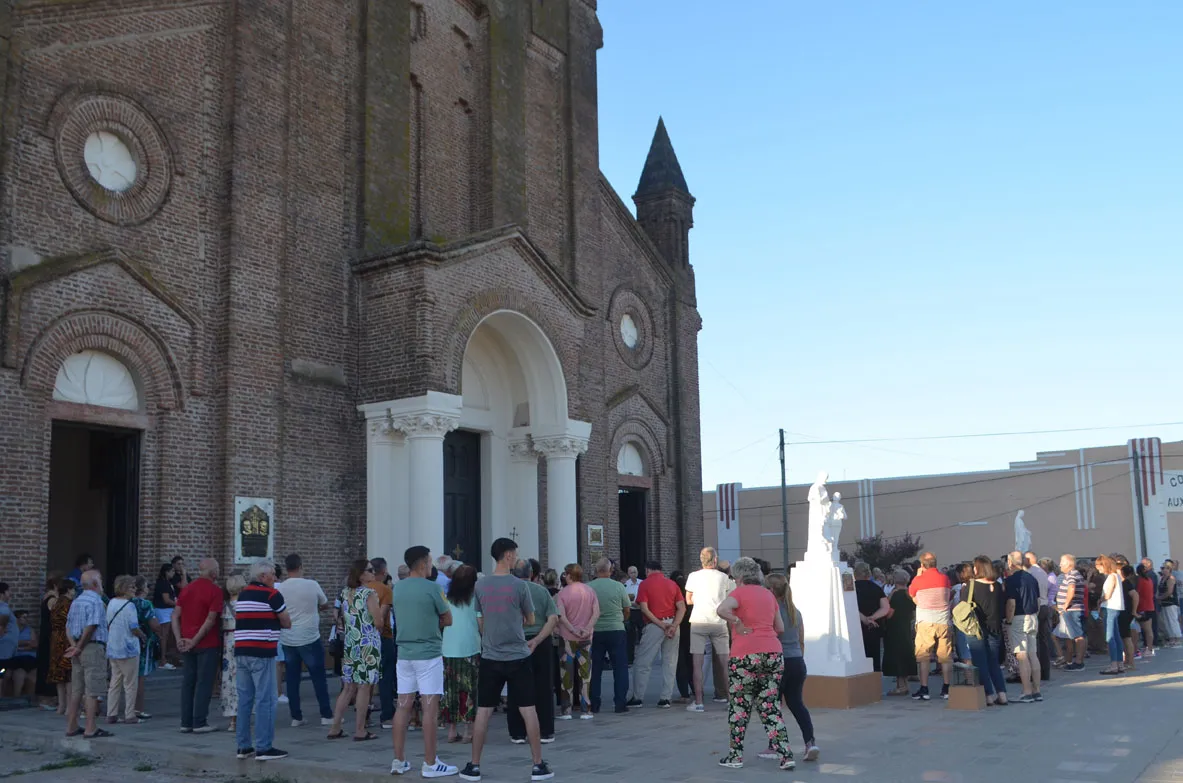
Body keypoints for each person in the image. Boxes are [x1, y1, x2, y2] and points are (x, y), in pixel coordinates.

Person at [460, 538, 552, 782]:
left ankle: (474, 765)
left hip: (490, 655)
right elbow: (531, 619)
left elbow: (480, 620)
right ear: (508, 555)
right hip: (518, 656)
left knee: (484, 711)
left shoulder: (480, 586)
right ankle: (537, 764)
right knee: (528, 709)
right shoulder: (519, 586)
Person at [714, 558, 794, 770]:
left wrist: (738, 623)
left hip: (744, 655)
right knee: (770, 706)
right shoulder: (768, 595)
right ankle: (785, 755)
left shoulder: (738, 593)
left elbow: (722, 610)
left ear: (739, 577)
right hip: (773, 653)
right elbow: (780, 627)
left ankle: (735, 756)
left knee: (740, 706)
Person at [390, 547, 457, 778]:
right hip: (428, 653)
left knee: (403, 705)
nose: (432, 566)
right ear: (421, 565)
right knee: (430, 707)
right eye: (429, 562)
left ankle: (398, 760)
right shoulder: (433, 588)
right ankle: (430, 762)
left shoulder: (397, 588)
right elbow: (447, 618)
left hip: (404, 653)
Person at [234, 558, 291, 761]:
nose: (275, 578)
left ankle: (243, 746)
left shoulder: (242, 594)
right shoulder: (272, 595)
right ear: (263, 576)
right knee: (266, 699)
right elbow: (286, 621)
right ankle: (264, 747)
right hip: (262, 651)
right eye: (273, 575)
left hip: (241, 651)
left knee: (245, 700)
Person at [760, 573, 817, 762]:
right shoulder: (795, 611)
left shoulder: (769, 611)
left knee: (772, 706)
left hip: (778, 661)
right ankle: (810, 743)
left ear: (770, 590)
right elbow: (801, 640)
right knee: (797, 704)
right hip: (797, 662)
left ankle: (775, 746)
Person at [275, 553, 333, 728]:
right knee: (318, 677)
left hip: (289, 638)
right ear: (301, 566)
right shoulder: (311, 584)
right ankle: (326, 714)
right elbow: (324, 603)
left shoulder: (280, 589)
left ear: (286, 568)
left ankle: (296, 716)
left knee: (292, 678)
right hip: (309, 636)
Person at [329, 559, 382, 742]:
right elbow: (378, 621)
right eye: (369, 570)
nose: (373, 573)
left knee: (348, 686)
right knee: (364, 686)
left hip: (351, 643)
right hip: (368, 643)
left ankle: (335, 727)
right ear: (361, 574)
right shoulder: (369, 593)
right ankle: (360, 730)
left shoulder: (345, 592)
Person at [508, 559, 559, 744]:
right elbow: (553, 618)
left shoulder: (508, 591)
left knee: (516, 686)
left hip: (516, 641)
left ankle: (517, 732)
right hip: (540, 640)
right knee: (544, 686)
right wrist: (538, 640)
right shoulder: (541, 591)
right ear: (532, 574)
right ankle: (545, 730)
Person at [172, 558, 223, 733]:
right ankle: (200, 721)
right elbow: (210, 620)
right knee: (204, 682)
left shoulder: (187, 589)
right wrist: (195, 639)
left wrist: (180, 638)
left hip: (186, 641)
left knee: (188, 682)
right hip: (206, 643)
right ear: (214, 573)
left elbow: (175, 616)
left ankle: (185, 722)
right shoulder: (215, 591)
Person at [628, 560, 685, 709]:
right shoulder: (672, 584)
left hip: (655, 625)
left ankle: (638, 697)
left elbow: (645, 609)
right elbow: (681, 607)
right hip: (673, 624)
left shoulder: (645, 584)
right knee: (670, 662)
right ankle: (665, 698)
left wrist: (661, 625)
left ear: (647, 570)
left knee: (643, 662)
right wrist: (674, 625)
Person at [684, 547, 734, 712]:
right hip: (719, 622)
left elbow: (689, 600)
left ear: (701, 560)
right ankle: (730, 700)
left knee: (697, 664)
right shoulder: (724, 577)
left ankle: (698, 702)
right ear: (715, 560)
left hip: (698, 621)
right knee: (724, 663)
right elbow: (731, 599)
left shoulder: (693, 576)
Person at [64, 569, 111, 738]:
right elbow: (92, 626)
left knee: (77, 689)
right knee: (92, 689)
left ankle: (71, 725)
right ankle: (90, 727)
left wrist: (74, 646)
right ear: (96, 584)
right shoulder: (96, 601)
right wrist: (80, 646)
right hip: (91, 647)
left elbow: (68, 627)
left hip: (77, 647)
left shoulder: (76, 601)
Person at [442, 564, 481, 745]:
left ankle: (451, 730)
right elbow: (481, 623)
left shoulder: (447, 598)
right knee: (469, 689)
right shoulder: (475, 598)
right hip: (470, 647)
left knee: (450, 689)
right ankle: (468, 729)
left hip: (448, 648)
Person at [555, 562, 599, 719]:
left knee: (566, 673)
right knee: (585, 673)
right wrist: (587, 628)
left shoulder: (562, 594)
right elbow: (596, 613)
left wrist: (572, 629)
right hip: (586, 638)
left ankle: (566, 710)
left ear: (568, 575)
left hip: (567, 638)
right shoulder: (590, 591)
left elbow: (561, 616)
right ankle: (586, 709)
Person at [587, 557, 631, 715]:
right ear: (610, 570)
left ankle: (594, 703)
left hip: (595, 630)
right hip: (616, 629)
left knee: (595, 668)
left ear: (596, 571)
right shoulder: (619, 586)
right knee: (620, 667)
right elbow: (627, 608)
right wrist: (622, 620)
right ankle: (620, 703)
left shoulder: (589, 587)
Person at [908, 553, 954, 701]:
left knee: (924, 656)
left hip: (925, 621)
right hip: (943, 620)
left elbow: (913, 596)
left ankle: (924, 688)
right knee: (945, 656)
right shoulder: (944, 578)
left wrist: (917, 576)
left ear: (922, 565)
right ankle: (947, 688)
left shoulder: (918, 580)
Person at [966, 556, 1008, 705]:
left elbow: (964, 606)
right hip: (995, 628)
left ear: (977, 568)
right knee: (993, 662)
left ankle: (988, 695)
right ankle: (1002, 694)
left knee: (980, 662)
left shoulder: (971, 586)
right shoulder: (998, 586)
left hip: (976, 628)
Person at [1003, 552, 1042, 702]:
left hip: (1019, 617)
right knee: (1033, 653)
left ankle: (1026, 692)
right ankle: (1037, 690)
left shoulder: (1012, 580)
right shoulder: (1032, 578)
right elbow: (1038, 601)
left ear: (1010, 563)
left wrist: (1008, 620)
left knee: (1021, 655)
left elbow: (1011, 603)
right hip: (1032, 616)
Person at [105, 575, 144, 724]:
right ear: (124, 589)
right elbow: (133, 628)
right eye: (132, 587)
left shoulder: (111, 603)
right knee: (130, 683)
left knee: (115, 682)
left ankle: (111, 713)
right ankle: (130, 714)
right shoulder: (130, 606)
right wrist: (142, 635)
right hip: (128, 648)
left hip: (113, 646)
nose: (135, 589)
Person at [369, 557, 396, 730]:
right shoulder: (384, 589)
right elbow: (382, 614)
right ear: (384, 571)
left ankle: (363, 716)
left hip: (361, 637)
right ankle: (387, 716)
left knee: (365, 679)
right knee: (386, 676)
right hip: (383, 636)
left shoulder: (356, 589)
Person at [882, 570, 916, 696]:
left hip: (895, 628)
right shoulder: (909, 594)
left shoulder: (896, 595)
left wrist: (889, 596)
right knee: (905, 652)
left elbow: (889, 613)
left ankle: (900, 686)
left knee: (897, 655)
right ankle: (904, 684)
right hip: (906, 626)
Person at [853, 562, 889, 672]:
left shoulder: (850, 589)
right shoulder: (876, 588)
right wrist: (872, 618)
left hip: (855, 628)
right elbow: (886, 607)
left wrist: (864, 618)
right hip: (874, 627)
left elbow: (849, 606)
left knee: (857, 659)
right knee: (874, 658)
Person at [221, 574, 245, 731]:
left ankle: (232, 719)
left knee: (229, 680)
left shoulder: (225, 606)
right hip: (242, 640)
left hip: (228, 641)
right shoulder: (244, 605)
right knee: (243, 678)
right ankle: (242, 714)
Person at [47, 579, 75, 714]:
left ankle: (61, 706)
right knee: (68, 673)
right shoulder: (70, 604)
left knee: (58, 672)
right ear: (69, 590)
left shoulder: (55, 602)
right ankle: (69, 706)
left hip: (55, 638)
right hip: (66, 638)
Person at [1096, 555, 1124, 675]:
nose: (1098, 570)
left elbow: (1108, 595)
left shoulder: (1112, 576)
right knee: (1116, 636)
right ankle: (1119, 663)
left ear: (1104, 565)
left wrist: (1100, 600)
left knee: (1110, 636)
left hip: (1110, 607)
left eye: (1099, 567)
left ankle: (1113, 664)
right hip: (1115, 607)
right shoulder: (1116, 576)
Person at [152, 563, 179, 670]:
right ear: (166, 572)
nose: (173, 573)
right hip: (163, 611)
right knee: (164, 635)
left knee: (168, 635)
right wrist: (178, 604)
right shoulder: (163, 583)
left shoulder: (168, 583)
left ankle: (167, 657)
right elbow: (166, 600)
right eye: (171, 571)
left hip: (168, 611)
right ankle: (162, 660)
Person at [9, 610, 37, 701]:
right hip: (17, 658)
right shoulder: (11, 630)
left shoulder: (30, 630)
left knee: (33, 676)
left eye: (27, 617)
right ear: (17, 619)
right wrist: (26, 643)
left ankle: (30, 699)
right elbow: (12, 643)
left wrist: (20, 646)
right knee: (19, 674)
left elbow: (34, 644)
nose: (26, 619)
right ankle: (16, 699)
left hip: (30, 657)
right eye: (24, 617)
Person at [0, 582, 19, 693]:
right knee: (1, 674)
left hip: (6, 648)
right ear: (2, 593)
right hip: (3, 648)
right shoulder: (3, 608)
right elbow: (1, 626)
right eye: (8, 591)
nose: (10, 594)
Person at [1136, 564, 1157, 657]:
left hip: (1143, 607)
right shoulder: (1149, 580)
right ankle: (1149, 647)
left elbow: (1138, 594)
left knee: (1145, 629)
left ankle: (1149, 648)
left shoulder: (1140, 581)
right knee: (1148, 629)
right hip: (1150, 606)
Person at [1157, 562, 1180, 646]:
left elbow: (1169, 591)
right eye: (1162, 568)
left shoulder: (1171, 578)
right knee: (1166, 621)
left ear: (1169, 569)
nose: (1163, 570)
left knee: (1172, 620)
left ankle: (1177, 638)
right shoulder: (1162, 578)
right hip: (1164, 603)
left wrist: (1160, 597)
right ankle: (1171, 637)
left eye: (1165, 568)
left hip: (1171, 602)